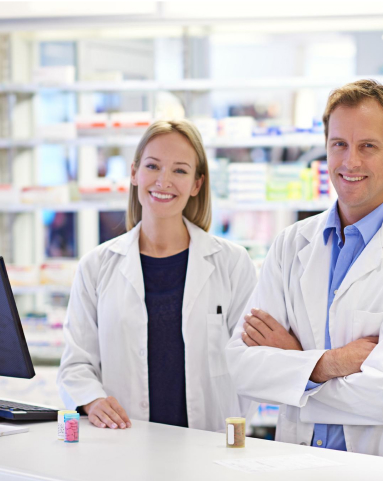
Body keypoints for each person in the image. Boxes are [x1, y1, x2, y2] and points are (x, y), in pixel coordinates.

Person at [225, 80, 383, 463]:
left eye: (368, 146)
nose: (350, 162)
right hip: (297, 460)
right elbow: (242, 368)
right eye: (339, 145)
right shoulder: (291, 245)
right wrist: (329, 363)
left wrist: (295, 367)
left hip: (382, 464)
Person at [58, 119, 257, 432]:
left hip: (208, 444)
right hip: (124, 443)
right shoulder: (96, 266)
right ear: (135, 173)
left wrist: (230, 426)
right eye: (153, 166)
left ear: (196, 184)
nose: (164, 181)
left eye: (179, 170)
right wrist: (93, 400)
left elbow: (252, 362)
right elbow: (76, 363)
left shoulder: (232, 263)